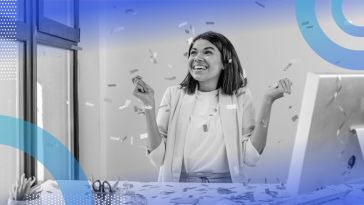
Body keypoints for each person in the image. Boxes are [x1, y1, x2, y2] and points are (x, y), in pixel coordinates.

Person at [132, 31, 292, 183]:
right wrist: (148, 105)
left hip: (227, 186)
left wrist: (268, 101)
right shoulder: (173, 95)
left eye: (207, 52)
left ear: (225, 62)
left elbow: (250, 158)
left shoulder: (240, 96)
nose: (197, 58)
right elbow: (157, 158)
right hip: (181, 185)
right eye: (193, 52)